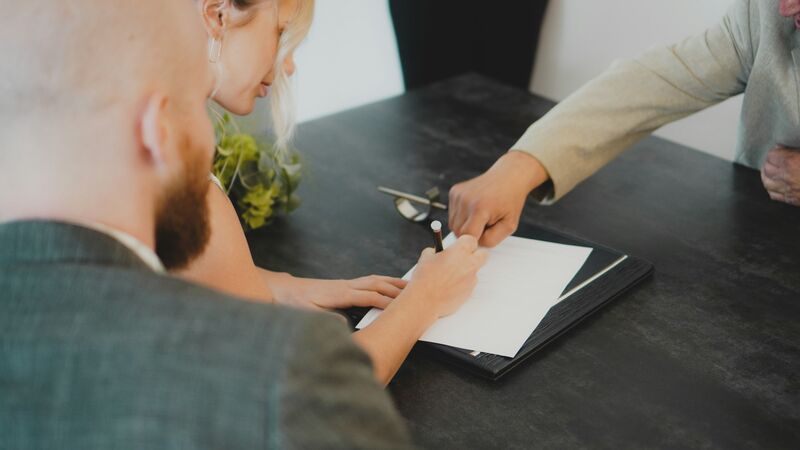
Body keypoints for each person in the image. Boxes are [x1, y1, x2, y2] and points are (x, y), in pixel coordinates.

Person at [0, 0, 453, 447]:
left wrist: (281, 284)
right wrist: (424, 298)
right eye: (194, 111)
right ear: (156, 130)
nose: (211, 145)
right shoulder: (283, 372)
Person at [182, 0, 488, 385]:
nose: (289, 66)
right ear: (217, 14)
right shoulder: (191, 199)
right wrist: (425, 297)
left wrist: (281, 285)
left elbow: (182, 272)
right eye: (281, 33)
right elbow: (307, 390)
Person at [449, 0, 800, 249]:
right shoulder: (768, 10)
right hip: (759, 245)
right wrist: (519, 167)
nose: (785, 8)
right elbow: (655, 81)